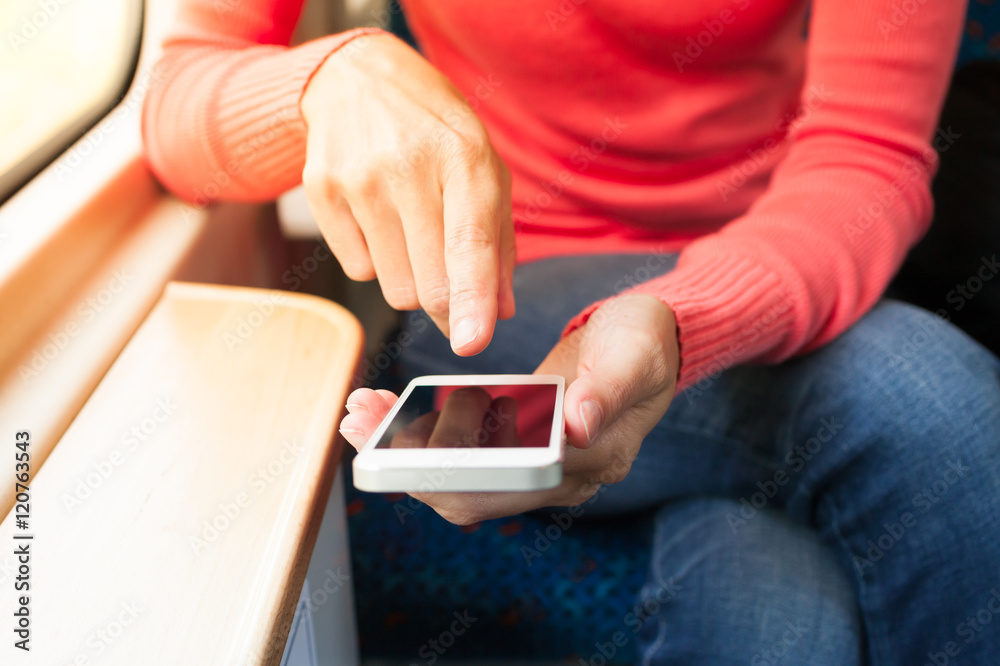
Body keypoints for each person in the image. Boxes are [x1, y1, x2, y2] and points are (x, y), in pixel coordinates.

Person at [143, 1, 1000, 663]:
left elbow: (866, 154)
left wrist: (685, 321)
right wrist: (327, 82)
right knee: (928, 403)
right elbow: (177, 106)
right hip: (510, 293)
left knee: (782, 616)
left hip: (782, 259)